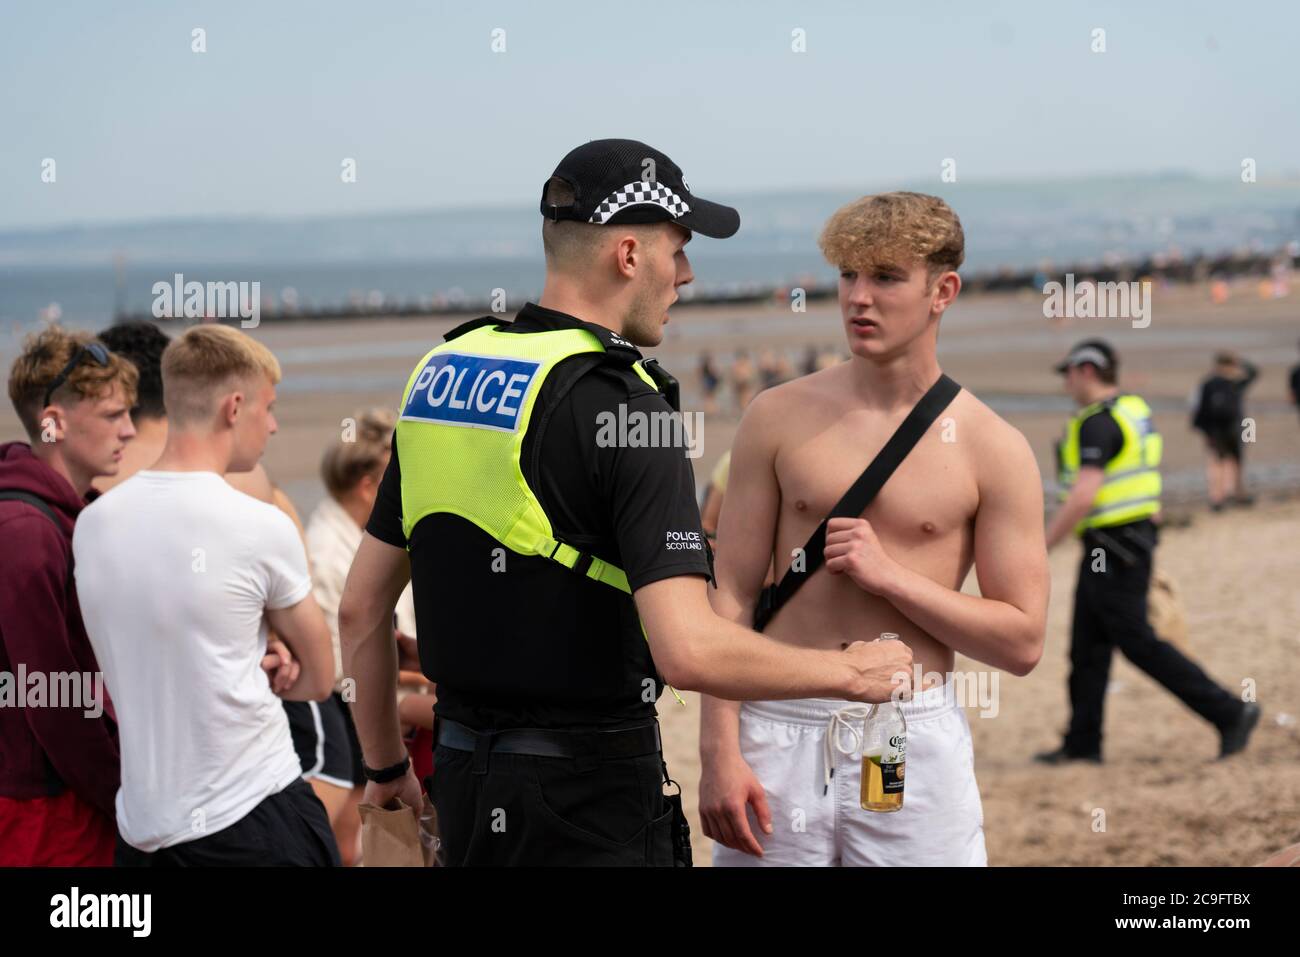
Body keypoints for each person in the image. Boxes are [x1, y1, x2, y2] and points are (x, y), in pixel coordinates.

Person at [338, 138, 914, 868]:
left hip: (459, 774)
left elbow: (361, 607)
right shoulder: (626, 405)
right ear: (630, 254)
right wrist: (851, 673)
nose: (688, 272)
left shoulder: (443, 374)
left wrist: (388, 771)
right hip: (586, 795)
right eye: (678, 248)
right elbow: (689, 649)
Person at [700, 192, 1049, 867]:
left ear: (942, 290)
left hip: (907, 733)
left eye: (885, 277)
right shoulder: (776, 416)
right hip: (777, 726)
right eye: (847, 276)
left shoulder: (992, 447)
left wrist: (892, 578)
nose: (859, 297)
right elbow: (730, 595)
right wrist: (718, 748)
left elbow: (1022, 640)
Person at [73, 324, 341, 866]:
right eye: (268, 407)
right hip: (256, 816)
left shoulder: (92, 524)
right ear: (233, 407)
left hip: (144, 830)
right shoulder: (259, 525)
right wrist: (273, 655)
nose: (273, 424)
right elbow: (318, 678)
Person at [1036, 339, 1260, 765]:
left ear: (1086, 370)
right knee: (1087, 647)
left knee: (1138, 642)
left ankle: (1230, 711)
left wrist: (1044, 544)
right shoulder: (1132, 410)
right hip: (1122, 543)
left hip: (1115, 548)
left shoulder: (1098, 423)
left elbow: (1083, 495)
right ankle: (1083, 743)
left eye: (1068, 372)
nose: (1065, 381)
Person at [0, 327, 137, 865]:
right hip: (45, 808)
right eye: (111, 416)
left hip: (75, 797)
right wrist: (123, 797)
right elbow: (51, 699)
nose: (129, 430)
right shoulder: (25, 530)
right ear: (53, 422)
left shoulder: (81, 516)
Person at [291, 407, 427, 865]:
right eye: (399, 481)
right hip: (341, 716)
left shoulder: (362, 537)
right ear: (370, 486)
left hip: (368, 705)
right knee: (352, 845)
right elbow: (337, 669)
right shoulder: (327, 553)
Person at [1191, 350, 1258, 510]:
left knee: (1232, 461)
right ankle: (1219, 497)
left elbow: (1255, 372)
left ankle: (1233, 494)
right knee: (1219, 462)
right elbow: (1201, 409)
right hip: (1221, 430)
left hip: (1229, 429)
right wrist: (1203, 429)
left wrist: (1239, 360)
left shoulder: (1229, 383)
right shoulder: (1214, 384)